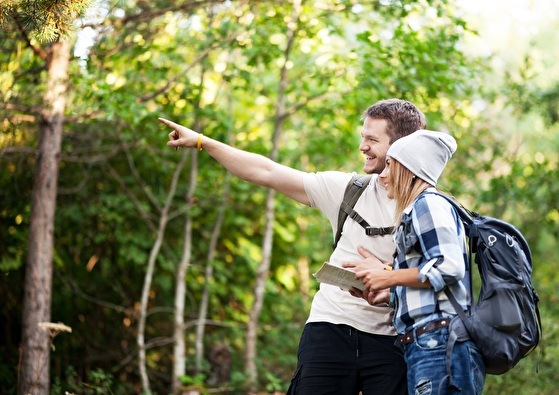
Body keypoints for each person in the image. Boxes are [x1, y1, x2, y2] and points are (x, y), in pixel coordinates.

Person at [159, 98, 426, 394]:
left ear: (402, 147)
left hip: (394, 340)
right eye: (363, 137)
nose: (362, 146)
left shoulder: (431, 208)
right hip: (330, 328)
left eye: (372, 140)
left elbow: (442, 277)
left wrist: (388, 275)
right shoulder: (347, 189)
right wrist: (201, 141)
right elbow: (267, 172)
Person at [355, 130, 486, 394]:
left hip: (439, 344)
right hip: (428, 343)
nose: (382, 174)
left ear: (410, 170)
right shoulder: (418, 209)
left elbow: (449, 266)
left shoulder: (428, 205)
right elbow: (433, 284)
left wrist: (388, 277)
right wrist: (389, 293)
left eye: (390, 165)